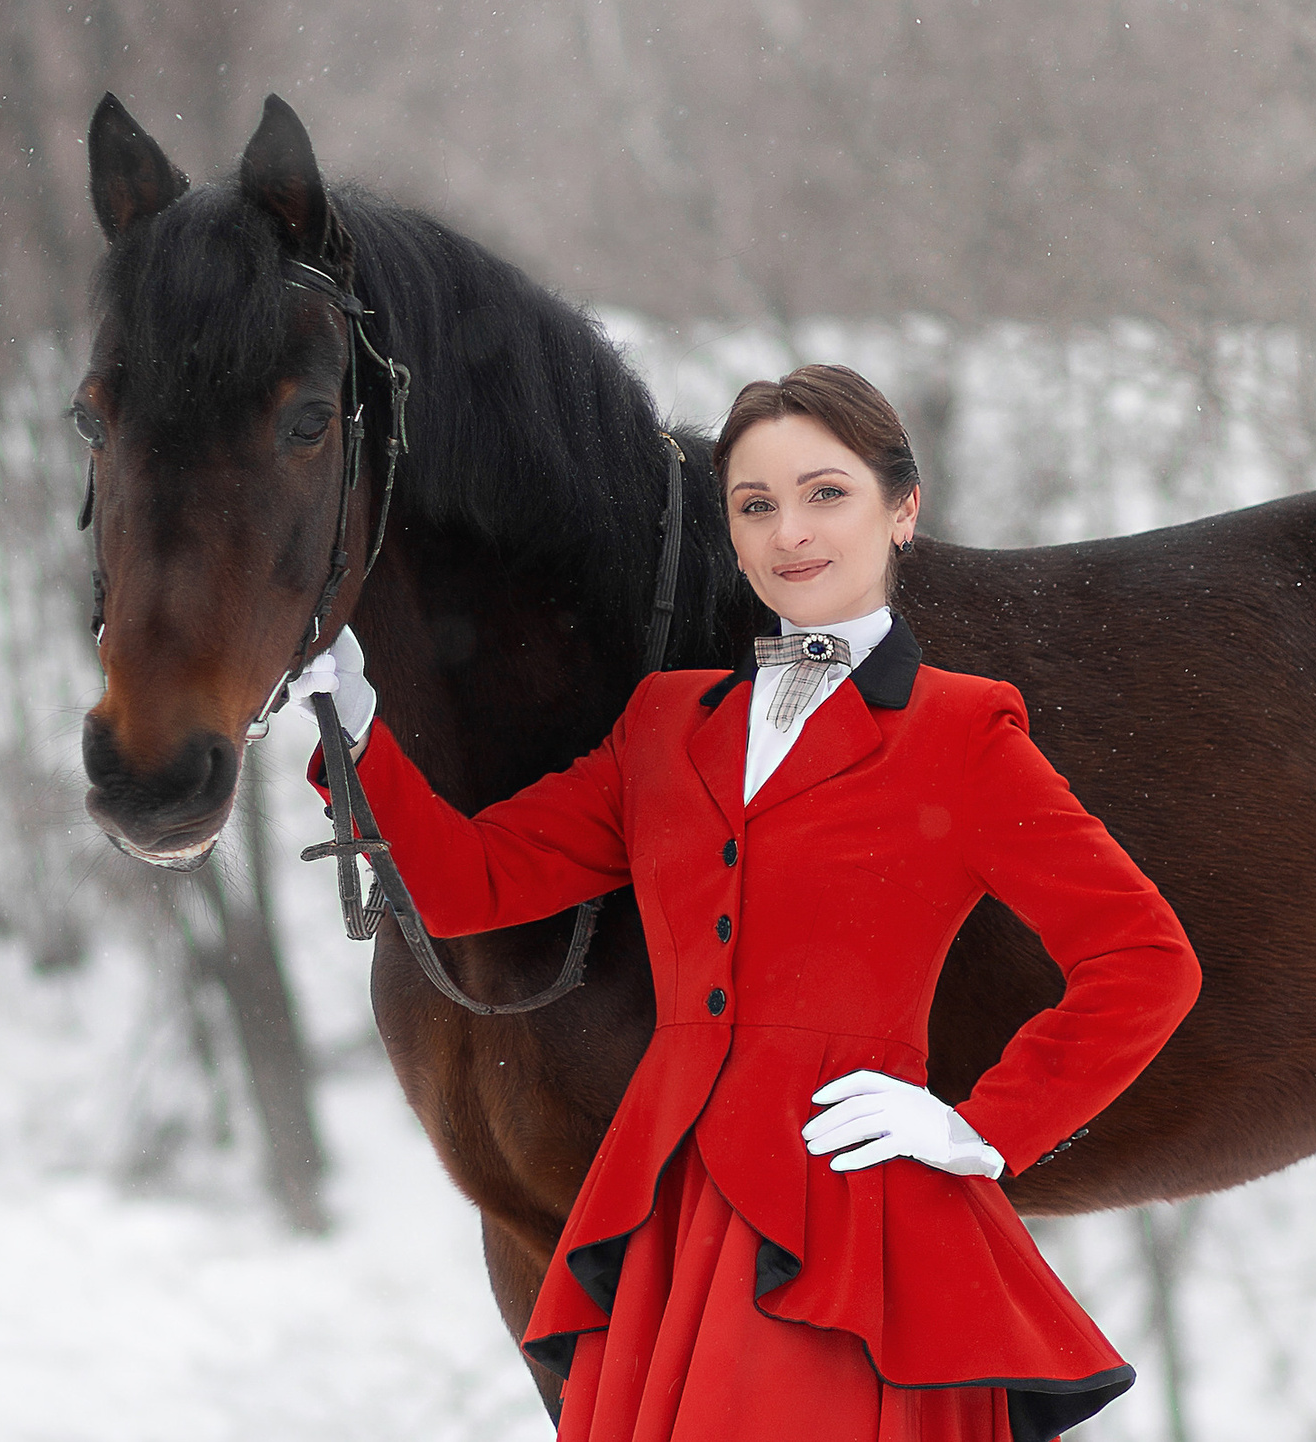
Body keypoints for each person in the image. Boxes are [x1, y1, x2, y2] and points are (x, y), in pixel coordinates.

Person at [292, 364, 1200, 1442]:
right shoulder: (667, 725)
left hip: (844, 1217)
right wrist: (352, 725)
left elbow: (1145, 957)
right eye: (755, 504)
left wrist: (981, 1127)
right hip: (665, 1217)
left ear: (901, 510)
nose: (790, 532)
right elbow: (468, 883)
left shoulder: (962, 735)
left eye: (827, 494)